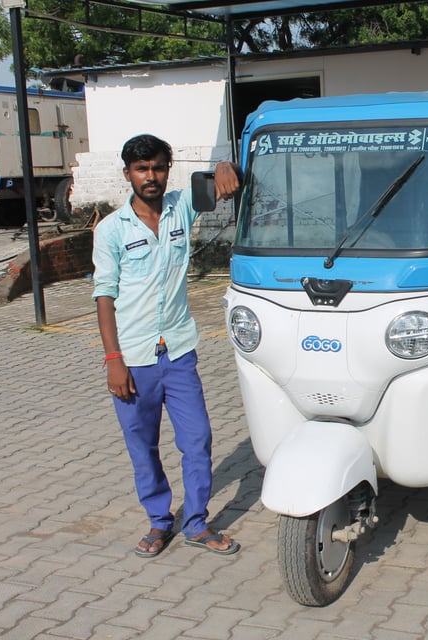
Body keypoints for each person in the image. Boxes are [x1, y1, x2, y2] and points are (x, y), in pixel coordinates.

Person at [93, 134, 242, 558]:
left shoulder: (182, 207)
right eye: (142, 169)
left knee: (197, 438)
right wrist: (113, 360)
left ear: (167, 170)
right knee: (143, 447)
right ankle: (160, 522)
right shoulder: (110, 231)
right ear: (128, 175)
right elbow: (104, 296)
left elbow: (224, 182)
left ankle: (196, 522)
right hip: (133, 358)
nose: (151, 176)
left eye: (158, 167)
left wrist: (223, 166)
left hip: (177, 351)